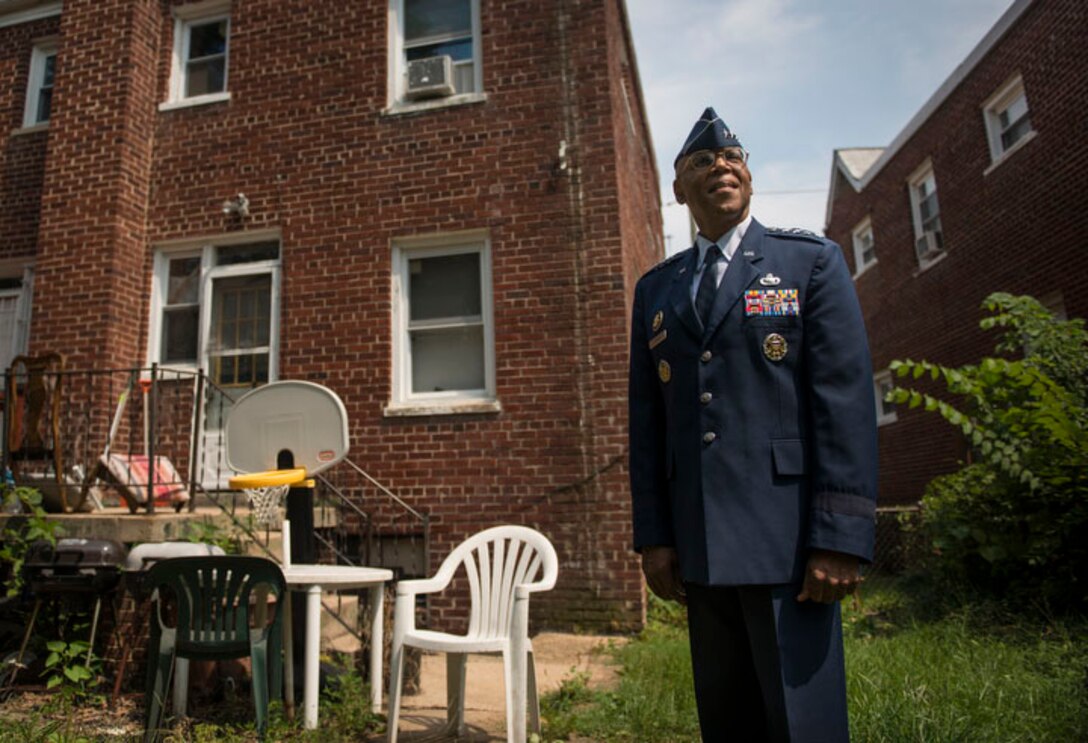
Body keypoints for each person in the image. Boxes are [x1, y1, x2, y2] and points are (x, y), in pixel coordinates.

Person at [628, 108, 878, 742]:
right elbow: (648, 422)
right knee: (728, 721)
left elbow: (843, 405)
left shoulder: (808, 264)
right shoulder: (657, 290)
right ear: (679, 190)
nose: (721, 167)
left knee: (804, 725)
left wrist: (841, 537)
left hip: (789, 544)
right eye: (701, 162)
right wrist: (655, 537)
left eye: (733, 158)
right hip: (699, 544)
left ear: (750, 178)